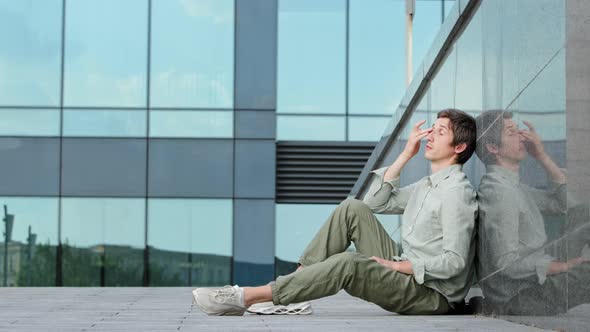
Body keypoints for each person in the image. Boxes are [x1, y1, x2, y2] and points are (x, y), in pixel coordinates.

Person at [193, 109, 478, 316]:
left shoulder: (456, 193)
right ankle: (294, 291)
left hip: (429, 294)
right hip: (407, 270)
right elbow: (374, 204)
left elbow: (456, 262)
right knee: (351, 208)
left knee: (349, 263)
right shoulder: (426, 185)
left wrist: (398, 267)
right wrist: (405, 155)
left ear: (460, 146)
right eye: (433, 129)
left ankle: (247, 297)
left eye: (440, 133)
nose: (430, 136)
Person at [475, 110, 590, 315]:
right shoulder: (499, 193)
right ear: (492, 147)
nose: (521, 136)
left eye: (518, 130)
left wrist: (541, 156)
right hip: (519, 297)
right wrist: (562, 266)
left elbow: (567, 206)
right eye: (511, 132)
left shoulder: (513, 187)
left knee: (584, 213)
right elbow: (506, 263)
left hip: (531, 285)